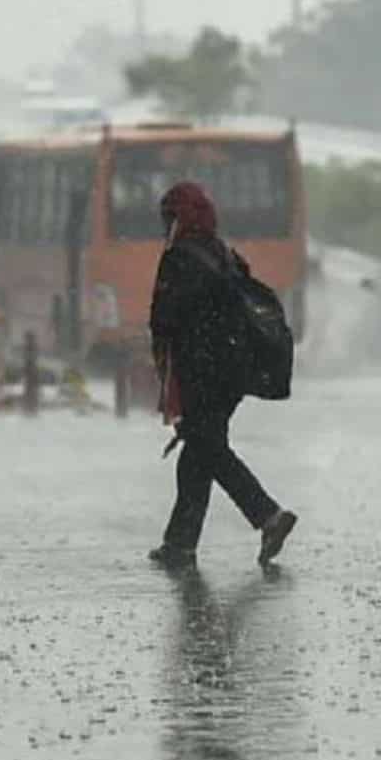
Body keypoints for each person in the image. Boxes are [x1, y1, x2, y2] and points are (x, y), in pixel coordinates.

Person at [147, 181, 297, 570]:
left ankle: (268, 515)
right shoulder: (224, 253)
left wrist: (162, 362)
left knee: (208, 449)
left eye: (168, 217)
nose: (165, 226)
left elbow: (164, 318)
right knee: (198, 450)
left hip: (201, 371)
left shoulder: (179, 258)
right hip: (234, 372)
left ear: (179, 218)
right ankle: (179, 545)